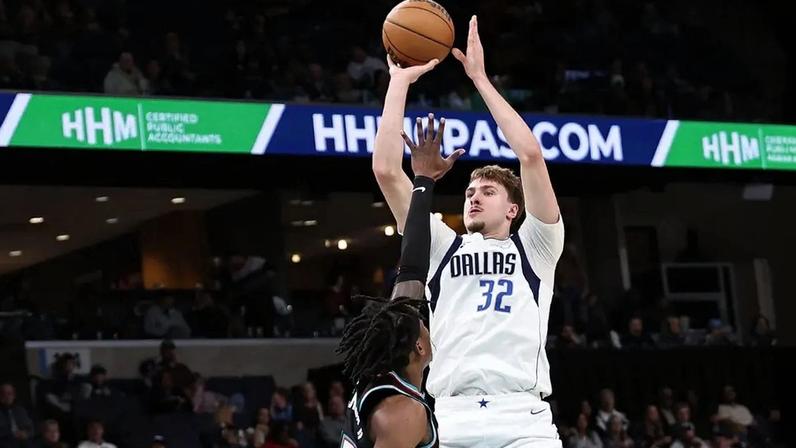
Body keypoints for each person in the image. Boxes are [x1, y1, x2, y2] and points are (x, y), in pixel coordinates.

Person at [373, 15, 564, 448]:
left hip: (523, 418)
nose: (474, 197)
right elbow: (386, 170)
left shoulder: (536, 246)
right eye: (470, 191)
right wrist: (399, 82)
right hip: (452, 415)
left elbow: (531, 155)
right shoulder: (441, 245)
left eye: (488, 191)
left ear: (514, 208)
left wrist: (479, 79)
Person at [338, 115, 459, 447]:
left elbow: (412, 268)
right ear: (418, 347)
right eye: (421, 322)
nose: (425, 321)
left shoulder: (380, 380)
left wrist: (424, 181)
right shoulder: (403, 411)